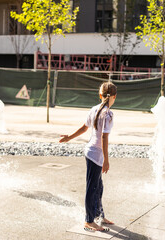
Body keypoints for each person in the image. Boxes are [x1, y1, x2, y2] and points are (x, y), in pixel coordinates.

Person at [59, 81, 117, 232]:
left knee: (99, 187)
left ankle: (99, 215)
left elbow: (84, 128)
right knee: (92, 187)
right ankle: (89, 221)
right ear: (114, 97)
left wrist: (68, 137)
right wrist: (106, 160)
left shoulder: (95, 109)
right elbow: (104, 138)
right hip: (95, 155)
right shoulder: (108, 114)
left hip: (91, 152)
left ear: (100, 95)